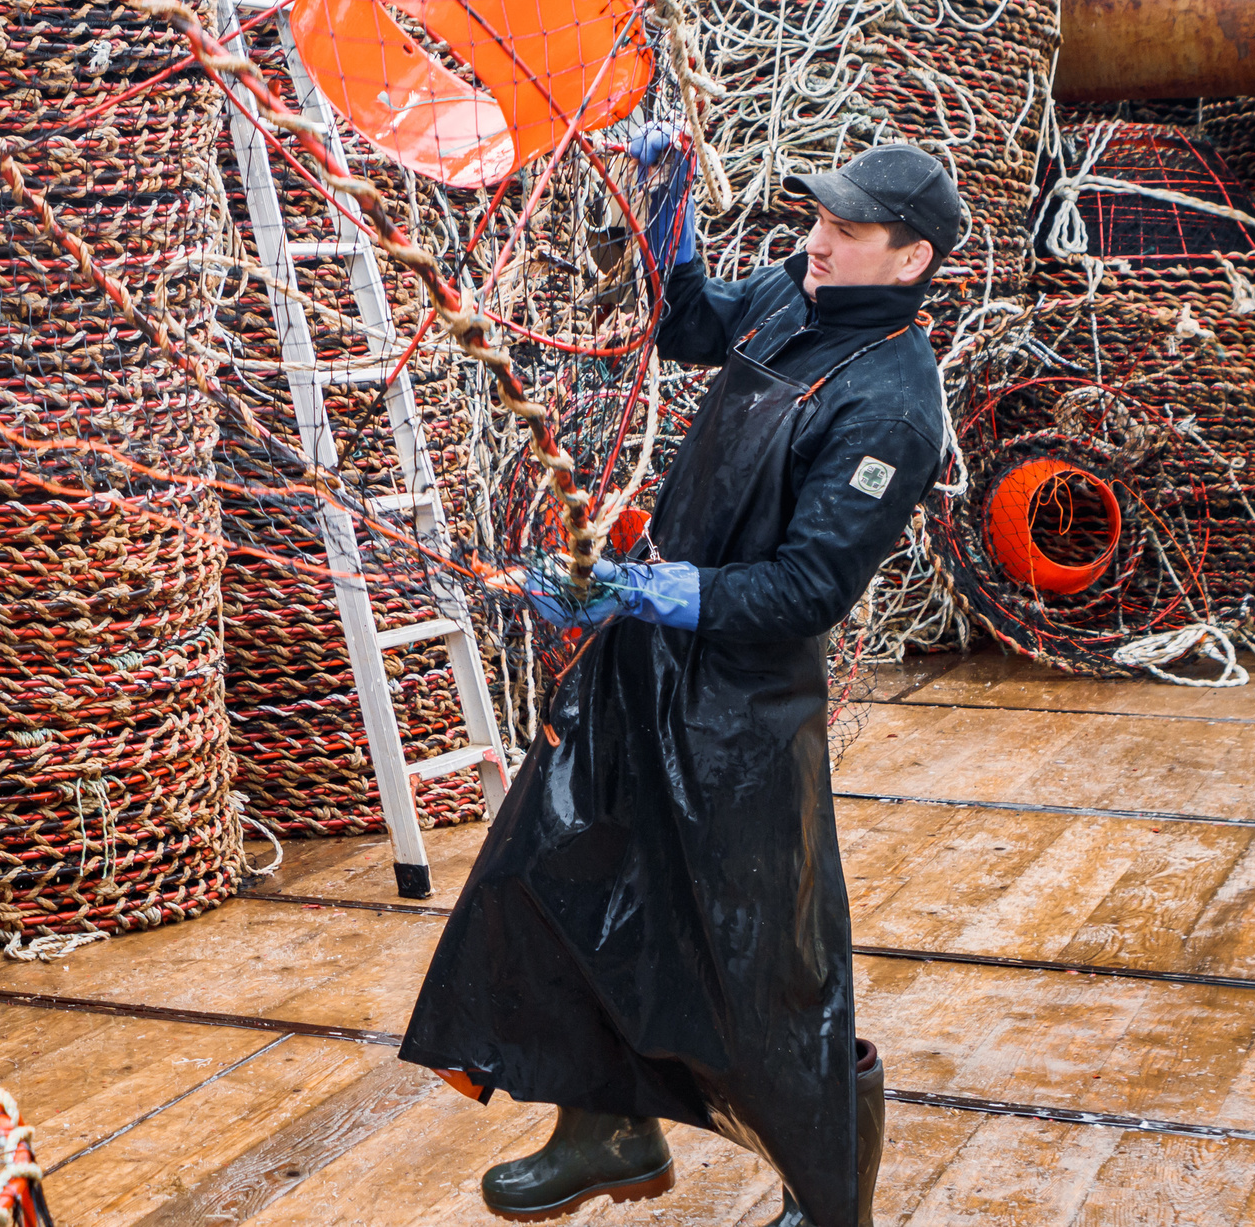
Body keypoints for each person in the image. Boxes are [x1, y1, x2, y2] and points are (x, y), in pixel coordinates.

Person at [399, 141, 962, 1227]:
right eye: (819, 219)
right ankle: (606, 1131)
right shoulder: (793, 295)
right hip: (642, 669)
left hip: (740, 722)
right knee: (561, 873)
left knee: (763, 965)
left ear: (910, 260)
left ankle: (828, 1202)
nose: (817, 242)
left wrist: (653, 589)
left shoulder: (892, 406)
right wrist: (667, 213)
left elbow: (807, 588)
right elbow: (691, 321)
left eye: (847, 231)